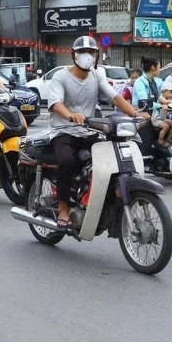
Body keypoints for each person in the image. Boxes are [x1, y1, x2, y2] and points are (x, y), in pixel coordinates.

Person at [45, 36, 145, 226]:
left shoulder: (97, 75)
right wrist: (70, 115)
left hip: (88, 130)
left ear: (97, 55)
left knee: (112, 156)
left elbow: (115, 98)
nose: (87, 56)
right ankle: (63, 208)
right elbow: (56, 104)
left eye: (91, 52)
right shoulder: (61, 76)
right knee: (67, 161)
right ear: (73, 54)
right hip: (63, 131)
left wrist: (136, 113)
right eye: (82, 52)